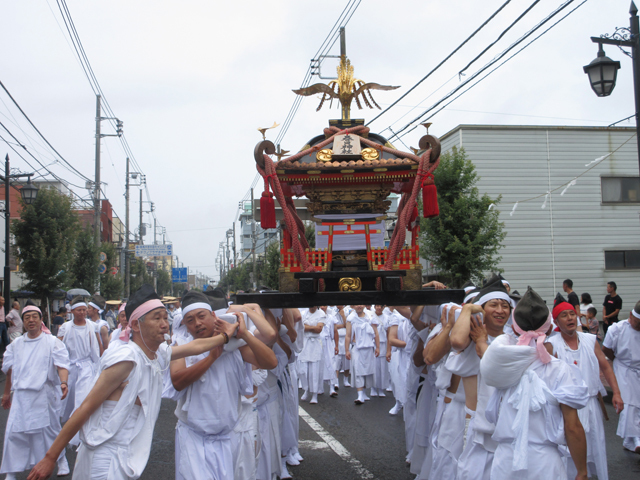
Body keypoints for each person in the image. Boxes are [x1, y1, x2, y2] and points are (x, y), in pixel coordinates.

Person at [27, 284, 244, 480]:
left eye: (164, 317)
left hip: (128, 456)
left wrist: (226, 336)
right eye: (156, 318)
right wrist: (50, 457)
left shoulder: (156, 353)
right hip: (104, 457)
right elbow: (84, 408)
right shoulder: (126, 359)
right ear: (136, 326)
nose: (164, 324)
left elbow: (195, 348)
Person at [480, 286, 589, 480]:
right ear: (549, 327)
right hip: (545, 463)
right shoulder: (559, 369)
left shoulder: (502, 364)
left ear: (514, 326)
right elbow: (572, 427)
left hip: (505, 461)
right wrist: (581, 471)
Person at [170, 291, 277, 480]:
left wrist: (244, 334)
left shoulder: (235, 344)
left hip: (228, 437)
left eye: (201, 316)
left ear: (213, 316)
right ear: (185, 326)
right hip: (193, 438)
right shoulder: (182, 345)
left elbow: (270, 362)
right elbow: (177, 381)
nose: (197, 323)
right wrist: (212, 358)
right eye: (190, 320)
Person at [548, 294, 624, 480]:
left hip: (591, 404)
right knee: (569, 453)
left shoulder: (590, 340)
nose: (570, 318)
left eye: (572, 314)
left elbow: (605, 366)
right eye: (564, 315)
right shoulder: (551, 344)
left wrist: (617, 394)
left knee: (595, 447)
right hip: (566, 408)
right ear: (557, 320)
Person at [448, 276, 513, 480]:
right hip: (478, 422)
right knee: (472, 473)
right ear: (482, 309)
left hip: (509, 422)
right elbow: (456, 341)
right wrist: (467, 310)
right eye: (493, 305)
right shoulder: (471, 336)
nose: (500, 311)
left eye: (505, 306)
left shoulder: (514, 339)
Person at [1, 301, 71, 479]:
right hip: (21, 396)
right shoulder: (16, 344)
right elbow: (10, 370)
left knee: (49, 432)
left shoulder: (52, 342)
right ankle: (11, 472)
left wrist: (64, 382)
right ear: (23, 322)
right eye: (27, 318)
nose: (31, 320)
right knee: (15, 433)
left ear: (41, 320)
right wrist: (7, 393)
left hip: (43, 394)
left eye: (34, 317)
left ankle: (61, 460)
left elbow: (62, 364)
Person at [56, 296, 102, 426]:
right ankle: (67, 425)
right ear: (72, 311)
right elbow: (58, 347)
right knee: (68, 400)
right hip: (70, 366)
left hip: (86, 367)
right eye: (78, 310)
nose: (82, 312)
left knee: (84, 398)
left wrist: (98, 365)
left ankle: (81, 428)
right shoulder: (65, 327)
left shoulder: (92, 326)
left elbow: (98, 346)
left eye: (84, 309)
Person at [602, 300, 640, 454]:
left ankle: (629, 440)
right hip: (624, 368)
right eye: (637, 323)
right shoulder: (617, 329)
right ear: (631, 315)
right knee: (629, 404)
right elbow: (607, 349)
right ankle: (636, 439)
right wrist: (618, 361)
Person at [345, 305, 379, 405]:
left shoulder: (370, 316)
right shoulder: (351, 318)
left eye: (361, 304)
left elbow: (376, 333)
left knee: (367, 371)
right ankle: (359, 394)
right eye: (356, 304)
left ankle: (364, 393)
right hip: (357, 348)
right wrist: (347, 350)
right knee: (358, 369)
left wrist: (378, 347)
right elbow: (348, 335)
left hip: (368, 348)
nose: (359, 306)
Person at [299, 307, 325, 404]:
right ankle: (306, 389)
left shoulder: (321, 314)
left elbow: (319, 329)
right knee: (303, 370)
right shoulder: (304, 313)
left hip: (315, 343)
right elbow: (301, 327)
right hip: (305, 343)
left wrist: (307, 327)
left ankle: (314, 394)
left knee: (314, 370)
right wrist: (312, 327)